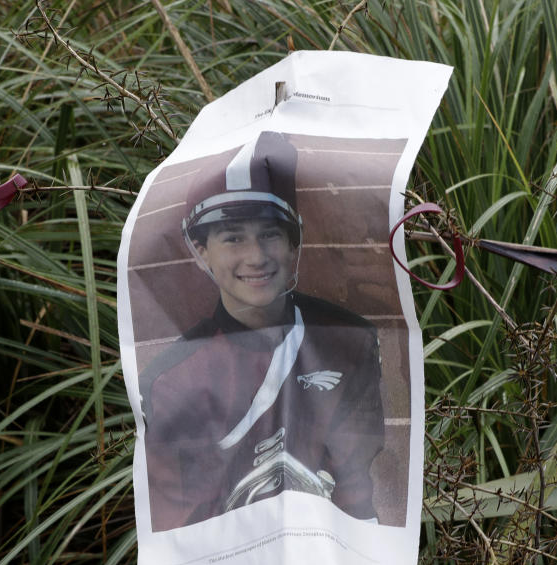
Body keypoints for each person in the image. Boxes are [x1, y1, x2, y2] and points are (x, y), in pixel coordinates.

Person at [138, 132, 385, 532]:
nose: (256, 257)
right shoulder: (169, 379)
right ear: (201, 250)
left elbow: (357, 487)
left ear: (293, 244)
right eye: (233, 237)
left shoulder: (348, 340)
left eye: (269, 233)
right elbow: (179, 526)